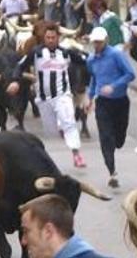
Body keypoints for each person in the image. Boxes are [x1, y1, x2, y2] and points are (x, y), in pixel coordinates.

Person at [9, 23, 88, 168]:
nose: (51, 40)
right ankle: (50, 159)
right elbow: (20, 66)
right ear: (44, 39)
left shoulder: (66, 53)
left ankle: (77, 155)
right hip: (44, 99)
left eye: (53, 37)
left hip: (62, 95)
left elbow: (86, 61)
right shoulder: (35, 53)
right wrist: (15, 81)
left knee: (69, 123)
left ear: (58, 38)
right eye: (48, 37)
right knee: (51, 133)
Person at [86, 27, 136, 188]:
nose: (97, 45)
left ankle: (117, 142)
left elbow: (130, 74)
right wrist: (90, 97)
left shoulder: (116, 55)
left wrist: (114, 86)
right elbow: (94, 78)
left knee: (119, 138)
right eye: (95, 42)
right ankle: (112, 171)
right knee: (105, 137)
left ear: (106, 40)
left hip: (120, 101)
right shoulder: (91, 59)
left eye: (100, 42)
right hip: (102, 103)